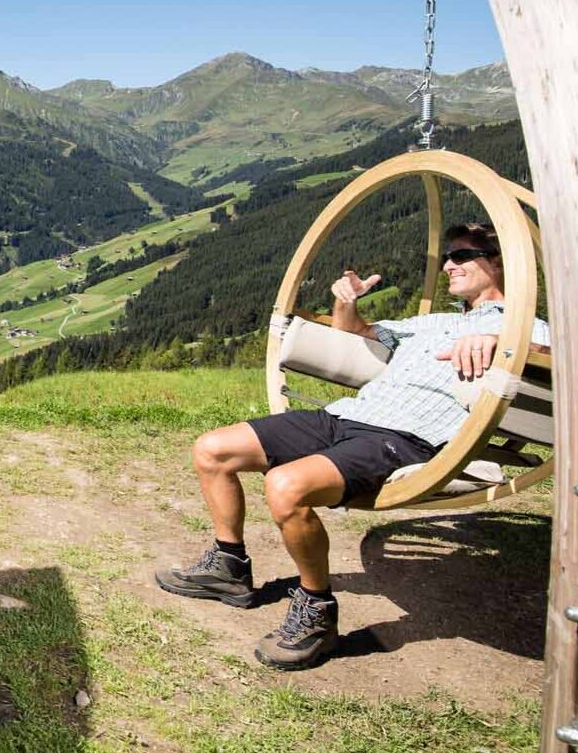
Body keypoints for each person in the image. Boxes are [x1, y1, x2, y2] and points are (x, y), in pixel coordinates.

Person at [154, 222, 548, 669]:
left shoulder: (528, 328)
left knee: (285, 487)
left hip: (404, 439)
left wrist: (502, 341)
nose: (448, 266)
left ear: (497, 262)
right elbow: (358, 331)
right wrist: (346, 302)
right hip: (346, 416)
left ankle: (316, 611)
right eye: (447, 258)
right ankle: (227, 567)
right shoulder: (435, 322)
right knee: (212, 449)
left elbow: (562, 363)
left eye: (461, 256)